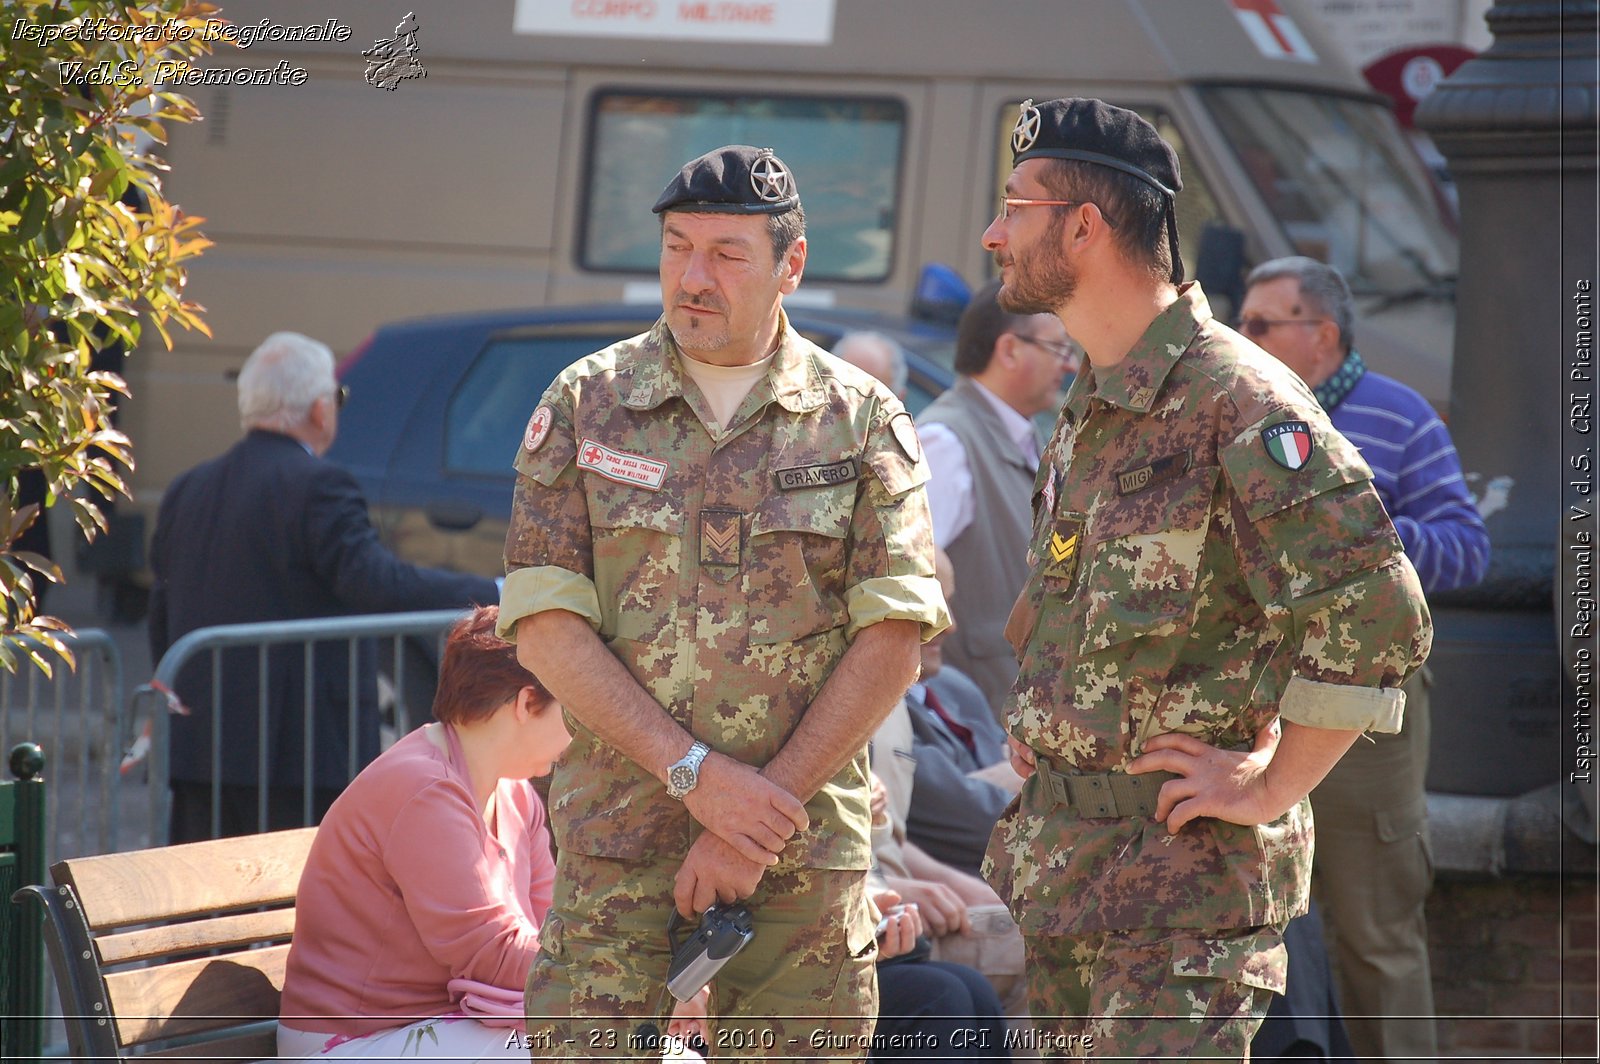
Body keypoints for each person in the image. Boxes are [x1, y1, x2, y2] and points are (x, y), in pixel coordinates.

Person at [979, 97, 1432, 1060]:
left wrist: (1270, 786)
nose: (991, 234)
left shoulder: (1239, 398)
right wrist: (1052, 725)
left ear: (1084, 226)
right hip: (1066, 883)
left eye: (1013, 209)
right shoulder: (1095, 397)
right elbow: (1078, 599)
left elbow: (1377, 612)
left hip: (1181, 906)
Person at [500, 145, 948, 1053]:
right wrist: (695, 777)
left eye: (726, 253)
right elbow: (546, 629)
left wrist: (755, 818)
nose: (692, 277)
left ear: (791, 265)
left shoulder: (861, 419)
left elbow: (895, 641)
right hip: (617, 854)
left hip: (799, 864)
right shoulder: (588, 404)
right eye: (676, 247)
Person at [1240, 255, 1489, 1062]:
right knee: (1264, 933)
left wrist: (1366, 529)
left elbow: (1468, 553)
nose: (1239, 338)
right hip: (1251, 705)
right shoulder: (1234, 411)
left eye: (1259, 325)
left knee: (1376, 934)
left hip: (1369, 711)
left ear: (1322, 334)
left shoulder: (1400, 416)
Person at [278, 605, 708, 1061]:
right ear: (525, 703)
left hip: (438, 1026)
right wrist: (641, 989)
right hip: (351, 1041)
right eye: (575, 711)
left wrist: (641, 988)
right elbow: (493, 954)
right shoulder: (424, 791)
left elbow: (548, 928)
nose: (585, 732)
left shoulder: (515, 794)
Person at [148, 331, 497, 842]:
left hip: (202, 743)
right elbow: (373, 581)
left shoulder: (188, 486)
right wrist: (490, 590)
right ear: (319, 408)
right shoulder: (318, 485)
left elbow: (162, 602)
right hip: (297, 750)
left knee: (201, 905)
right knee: (292, 904)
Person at [917, 279, 1078, 719]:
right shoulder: (946, 441)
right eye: (1058, 349)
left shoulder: (1026, 435)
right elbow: (913, 588)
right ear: (1008, 350)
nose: (1068, 367)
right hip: (966, 728)